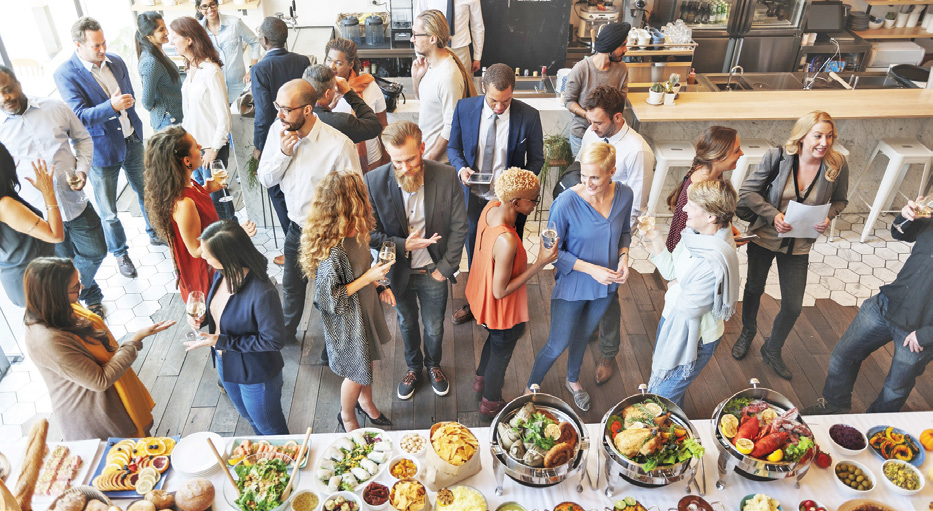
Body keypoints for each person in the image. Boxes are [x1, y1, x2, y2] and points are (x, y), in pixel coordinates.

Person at [733, 111, 849, 380]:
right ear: (802, 136)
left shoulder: (837, 164)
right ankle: (748, 331)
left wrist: (828, 216)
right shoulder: (778, 157)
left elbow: (841, 200)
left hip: (798, 244)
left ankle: (772, 348)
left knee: (794, 305)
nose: (824, 142)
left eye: (829, 136)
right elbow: (748, 192)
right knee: (753, 288)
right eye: (818, 135)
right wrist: (773, 214)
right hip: (765, 237)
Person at [525, 142, 632, 411]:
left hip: (605, 287)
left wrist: (624, 258)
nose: (587, 182)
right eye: (584, 175)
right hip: (574, 285)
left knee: (583, 336)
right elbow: (551, 253)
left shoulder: (625, 195)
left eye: (595, 177)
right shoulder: (566, 203)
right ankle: (529, 389)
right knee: (556, 343)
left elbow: (624, 233)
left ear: (612, 172)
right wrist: (592, 269)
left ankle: (572, 380)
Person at [364, 121, 467, 400]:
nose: (406, 168)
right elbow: (370, 234)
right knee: (406, 322)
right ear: (387, 154)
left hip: (433, 269)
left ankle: (433, 365)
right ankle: (413, 367)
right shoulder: (373, 182)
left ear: (422, 148)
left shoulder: (446, 177)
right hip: (399, 271)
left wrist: (444, 270)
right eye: (397, 162)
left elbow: (460, 227)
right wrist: (402, 245)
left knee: (434, 326)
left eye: (411, 159)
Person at [802, 197, 933, 415]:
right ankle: (835, 406)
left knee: (895, 388)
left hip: (920, 329)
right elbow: (899, 232)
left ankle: (874, 426)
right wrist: (906, 217)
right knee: (843, 355)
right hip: (888, 303)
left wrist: (927, 335)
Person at [23, 257, 174, 441]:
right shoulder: (48, 340)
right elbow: (100, 380)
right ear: (55, 295)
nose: (82, 287)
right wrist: (135, 340)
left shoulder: (54, 308)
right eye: (75, 287)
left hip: (110, 402)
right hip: (97, 416)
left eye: (78, 281)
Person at [257, 79, 360, 344]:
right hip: (296, 229)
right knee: (291, 289)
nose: (279, 114)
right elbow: (265, 179)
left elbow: (355, 197)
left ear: (307, 109)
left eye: (286, 109)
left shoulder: (339, 145)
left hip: (330, 235)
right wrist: (282, 154)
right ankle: (284, 336)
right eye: (277, 107)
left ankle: (334, 348)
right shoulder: (277, 131)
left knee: (330, 294)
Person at [53, 17, 157, 276]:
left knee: (147, 193)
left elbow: (128, 97)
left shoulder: (116, 62)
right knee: (109, 211)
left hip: (131, 139)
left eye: (103, 43)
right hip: (101, 151)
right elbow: (79, 115)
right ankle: (121, 254)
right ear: (78, 45)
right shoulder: (65, 74)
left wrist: (129, 111)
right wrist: (111, 107)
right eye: (96, 46)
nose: (102, 49)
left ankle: (155, 231)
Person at [0, 67, 107, 316]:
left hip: (74, 200)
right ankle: (86, 300)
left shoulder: (54, 107)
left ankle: (76, 291)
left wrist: (82, 171)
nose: (5, 97)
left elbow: (83, 139)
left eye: (7, 89)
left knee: (96, 251)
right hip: (37, 215)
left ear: (18, 82)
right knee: (61, 264)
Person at [447, 62, 543, 325]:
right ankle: (474, 303)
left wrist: (516, 182)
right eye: (493, 101)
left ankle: (501, 308)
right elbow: (453, 148)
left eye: (506, 100)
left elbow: (537, 160)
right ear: (482, 88)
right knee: (475, 251)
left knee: (507, 258)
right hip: (474, 198)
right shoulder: (464, 109)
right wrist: (461, 169)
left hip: (509, 205)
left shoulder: (529, 116)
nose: (499, 107)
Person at [300, 171, 394, 432]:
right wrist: (369, 279)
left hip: (363, 308)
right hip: (348, 320)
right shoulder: (334, 251)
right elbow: (330, 300)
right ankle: (347, 415)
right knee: (356, 371)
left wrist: (378, 285)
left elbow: (360, 270)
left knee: (368, 361)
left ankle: (366, 403)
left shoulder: (355, 232)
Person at [576, 86, 653, 385]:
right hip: (584, 228)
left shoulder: (637, 151)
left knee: (608, 297)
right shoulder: (592, 134)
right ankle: (589, 328)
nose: (591, 128)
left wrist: (619, 246)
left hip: (611, 236)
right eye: (590, 121)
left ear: (618, 117)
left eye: (597, 123)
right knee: (583, 283)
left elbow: (637, 207)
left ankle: (608, 352)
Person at [466, 168, 557, 416]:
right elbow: (500, 291)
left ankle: (480, 381)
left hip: (480, 298)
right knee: (501, 352)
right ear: (516, 202)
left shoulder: (491, 207)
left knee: (494, 342)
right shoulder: (506, 240)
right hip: (501, 310)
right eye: (535, 199)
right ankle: (490, 403)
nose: (537, 203)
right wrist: (540, 262)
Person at [183, 220, 288, 435]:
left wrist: (219, 341)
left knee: (270, 428)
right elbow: (222, 311)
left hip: (256, 373)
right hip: (226, 362)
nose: (203, 256)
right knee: (249, 417)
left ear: (226, 257)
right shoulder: (220, 274)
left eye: (208, 254)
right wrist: (202, 319)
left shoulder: (262, 292)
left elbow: (274, 340)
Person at [644, 180, 740, 408]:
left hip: (696, 337)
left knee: (657, 399)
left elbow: (689, 307)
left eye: (692, 204)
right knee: (670, 396)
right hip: (672, 321)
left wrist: (676, 286)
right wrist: (656, 238)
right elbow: (670, 273)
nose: (684, 208)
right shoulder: (693, 235)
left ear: (711, 217)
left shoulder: (714, 259)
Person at [145, 126, 255, 301]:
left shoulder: (186, 184)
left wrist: (205, 190)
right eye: (196, 146)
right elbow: (196, 250)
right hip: (207, 271)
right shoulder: (184, 204)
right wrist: (236, 234)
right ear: (187, 161)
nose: (201, 147)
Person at [250, 16, 310, 267]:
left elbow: (264, 112)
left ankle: (294, 248)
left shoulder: (260, 69)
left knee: (277, 190)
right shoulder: (303, 60)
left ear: (263, 40)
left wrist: (259, 146)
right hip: (305, 133)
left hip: (278, 135)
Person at [169, 16, 235, 221]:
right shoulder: (191, 68)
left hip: (209, 150)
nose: (170, 42)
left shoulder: (211, 71)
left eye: (174, 38)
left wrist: (214, 150)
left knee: (220, 203)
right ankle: (217, 247)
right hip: (194, 147)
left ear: (189, 40)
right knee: (205, 203)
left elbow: (225, 116)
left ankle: (236, 246)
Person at [410, 9, 476, 163]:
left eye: (416, 34)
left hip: (440, 162)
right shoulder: (430, 64)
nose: (412, 39)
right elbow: (424, 101)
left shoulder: (447, 76)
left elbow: (450, 126)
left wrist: (429, 160)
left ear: (433, 38)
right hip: (427, 154)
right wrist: (417, 78)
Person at [0, 146, 62, 307]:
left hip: (20, 280)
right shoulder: (6, 205)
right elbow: (56, 235)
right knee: (75, 326)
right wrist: (48, 192)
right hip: (37, 283)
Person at [666, 127, 743, 252]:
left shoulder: (712, 174)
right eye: (737, 151)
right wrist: (727, 241)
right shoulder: (700, 191)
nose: (742, 154)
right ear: (718, 157)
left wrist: (728, 229)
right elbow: (689, 238)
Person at [563, 22, 630, 156]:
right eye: (623, 45)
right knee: (582, 174)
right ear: (611, 46)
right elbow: (569, 101)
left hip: (609, 138)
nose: (625, 49)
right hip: (581, 136)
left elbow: (621, 101)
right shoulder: (581, 69)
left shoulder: (622, 69)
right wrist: (586, 114)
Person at [325, 37, 390, 171]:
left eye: (338, 62)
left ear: (351, 64)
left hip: (372, 161)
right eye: (329, 60)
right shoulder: (321, 90)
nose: (332, 67)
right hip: (337, 164)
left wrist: (386, 157)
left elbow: (383, 125)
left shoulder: (370, 86)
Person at [303, 65, 383, 151]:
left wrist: (328, 108)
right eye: (334, 88)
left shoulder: (294, 116)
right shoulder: (342, 122)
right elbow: (375, 126)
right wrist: (348, 92)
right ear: (327, 94)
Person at [195, 0, 261, 103]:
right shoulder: (198, 31)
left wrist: (252, 69)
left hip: (238, 87)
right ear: (199, 8)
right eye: (204, 6)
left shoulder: (234, 23)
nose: (210, 9)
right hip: (214, 89)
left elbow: (255, 42)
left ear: (217, 4)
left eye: (212, 4)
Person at [136, 12, 183, 130]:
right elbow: (146, 101)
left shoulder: (158, 53)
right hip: (168, 120)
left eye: (165, 27)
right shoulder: (151, 62)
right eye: (161, 30)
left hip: (174, 117)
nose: (167, 32)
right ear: (149, 36)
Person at [414, 0, 484, 73]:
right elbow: (418, 25)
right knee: (435, 83)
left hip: (461, 52)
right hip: (434, 50)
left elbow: (477, 26)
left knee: (464, 83)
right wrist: (419, 54)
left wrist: (477, 56)